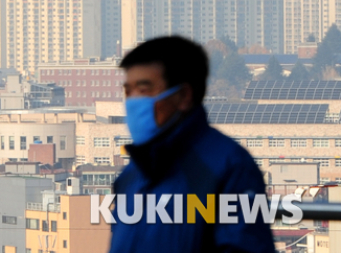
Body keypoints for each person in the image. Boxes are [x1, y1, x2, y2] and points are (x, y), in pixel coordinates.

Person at [108, 36, 275, 253]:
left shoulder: (229, 168)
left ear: (184, 95)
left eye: (144, 90)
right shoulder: (133, 174)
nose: (133, 102)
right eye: (128, 91)